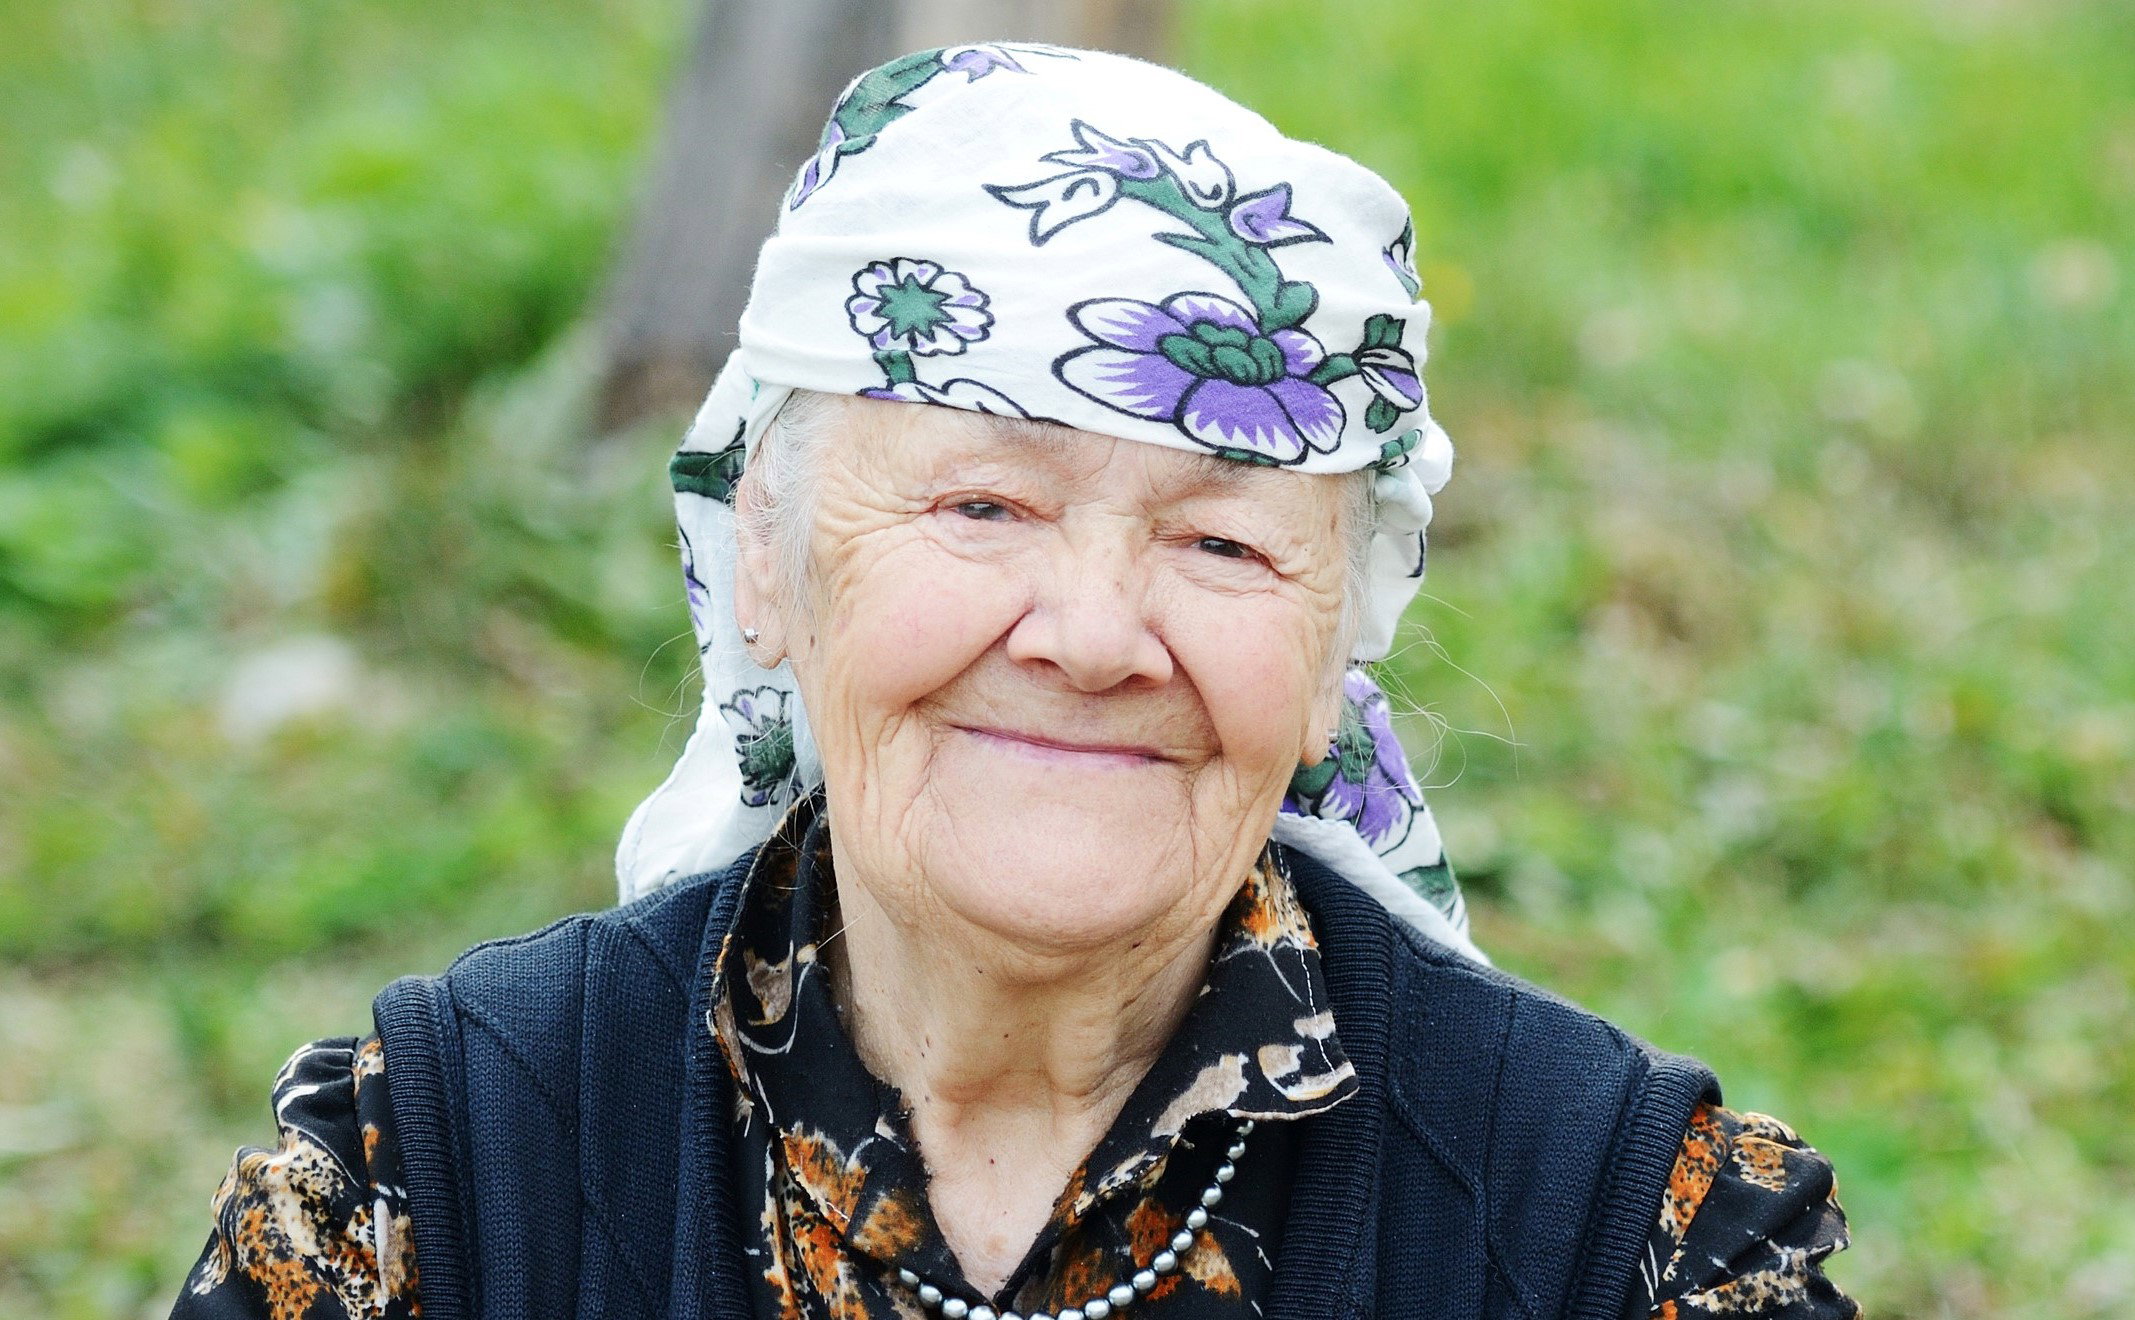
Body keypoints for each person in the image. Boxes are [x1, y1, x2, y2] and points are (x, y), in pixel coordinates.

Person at [171, 45, 1857, 1320]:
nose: (1096, 633)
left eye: (1222, 543)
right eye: (985, 506)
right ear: (768, 553)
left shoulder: (1626, 1234)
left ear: (1345, 620)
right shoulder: (434, 1185)